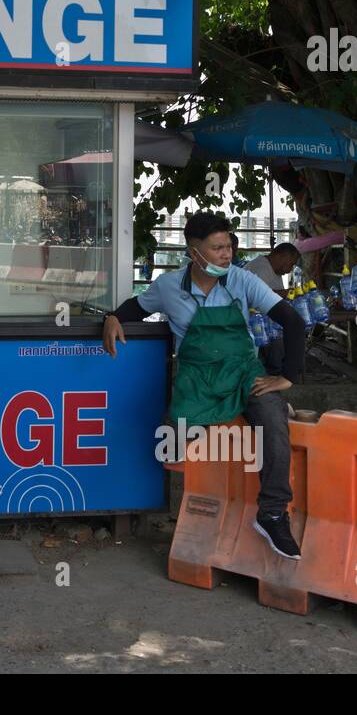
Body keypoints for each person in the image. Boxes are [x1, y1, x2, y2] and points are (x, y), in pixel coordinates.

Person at [102, 211, 305, 559]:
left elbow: (292, 320)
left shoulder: (242, 280)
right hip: (197, 378)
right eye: (217, 248)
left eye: (228, 246)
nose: (227, 254)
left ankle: (272, 513)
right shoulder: (168, 287)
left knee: (273, 423)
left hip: (244, 373)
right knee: (171, 444)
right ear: (193, 252)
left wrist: (287, 376)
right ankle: (202, 507)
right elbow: (134, 308)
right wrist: (113, 318)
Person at [245, 243, 302, 376]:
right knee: (278, 339)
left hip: (265, 321)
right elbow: (260, 297)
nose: (290, 269)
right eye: (291, 263)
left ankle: (277, 371)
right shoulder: (261, 267)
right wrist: (288, 293)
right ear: (282, 256)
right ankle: (275, 373)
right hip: (255, 322)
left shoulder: (273, 269)